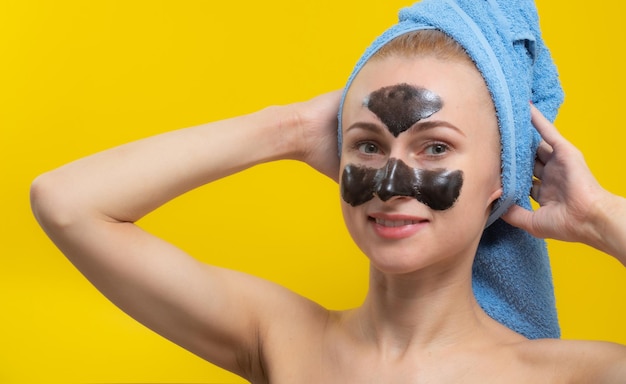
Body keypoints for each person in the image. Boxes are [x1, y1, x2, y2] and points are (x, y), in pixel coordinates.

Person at [30, 2, 625, 384]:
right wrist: (285, 128)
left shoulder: (573, 376)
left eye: (435, 148)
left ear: (503, 177)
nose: (391, 185)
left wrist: (598, 216)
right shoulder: (279, 339)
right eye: (367, 146)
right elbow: (66, 202)